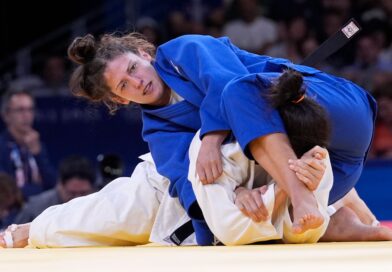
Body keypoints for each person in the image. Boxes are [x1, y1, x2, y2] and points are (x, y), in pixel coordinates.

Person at [63, 32, 377, 244]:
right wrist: (236, 193)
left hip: (330, 109)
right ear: (120, 101)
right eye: (123, 86)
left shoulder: (181, 51)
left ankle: (299, 192)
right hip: (335, 170)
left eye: (133, 68)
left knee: (239, 91)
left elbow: (229, 83)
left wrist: (211, 139)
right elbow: (189, 187)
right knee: (264, 224)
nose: (137, 82)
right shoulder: (159, 131)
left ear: (145, 54)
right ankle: (351, 225)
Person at [0, 89, 56, 199]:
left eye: (30, 110)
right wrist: (37, 190)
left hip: (39, 209)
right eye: (20, 110)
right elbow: (6, 190)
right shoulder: (1, 146)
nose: (26, 115)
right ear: (6, 115)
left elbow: (52, 184)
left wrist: (37, 154)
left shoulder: (38, 145)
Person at [13, 155, 96, 224]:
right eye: (72, 193)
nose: (78, 199)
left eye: (84, 193)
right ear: (59, 186)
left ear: (93, 188)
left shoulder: (101, 204)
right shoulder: (35, 208)